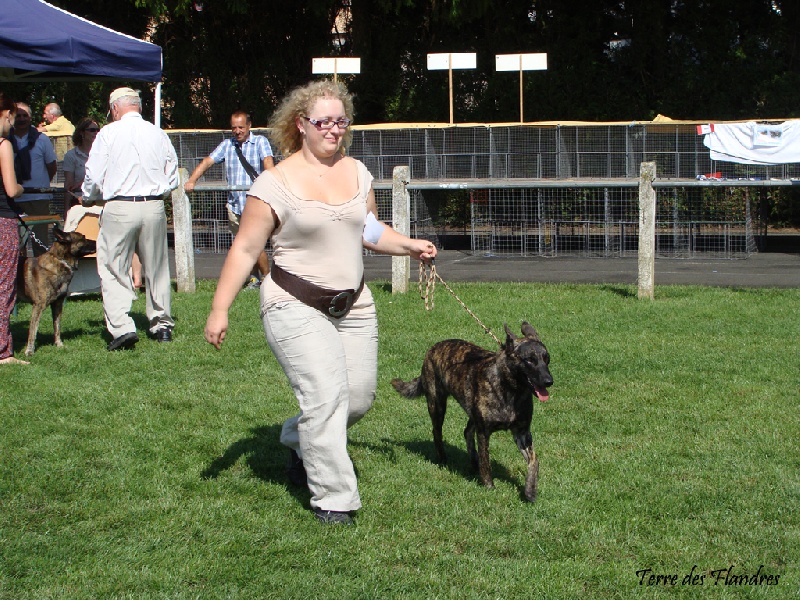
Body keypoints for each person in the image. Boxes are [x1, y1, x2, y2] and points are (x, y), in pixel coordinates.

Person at [204, 80, 437, 525]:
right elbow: (244, 248)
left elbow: (367, 229)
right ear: (301, 124)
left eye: (340, 120)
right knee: (326, 397)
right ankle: (334, 499)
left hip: (354, 305)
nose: (333, 129)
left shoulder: (357, 172)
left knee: (357, 399)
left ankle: (298, 437)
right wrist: (220, 308)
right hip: (293, 302)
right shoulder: (274, 182)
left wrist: (408, 245)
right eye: (323, 121)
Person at [82, 87, 179, 351]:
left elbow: (93, 174)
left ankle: (122, 327)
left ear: (114, 109)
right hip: (153, 205)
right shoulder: (157, 133)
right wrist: (159, 191)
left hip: (119, 206)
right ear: (137, 106)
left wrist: (88, 197)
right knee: (157, 267)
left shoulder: (108, 133)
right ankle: (162, 325)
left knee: (114, 267)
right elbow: (173, 175)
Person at [184, 110, 274, 287]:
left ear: (249, 126)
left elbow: (269, 166)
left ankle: (268, 278)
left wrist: (270, 189)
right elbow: (208, 162)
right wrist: (192, 180)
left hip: (255, 204)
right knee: (243, 246)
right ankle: (254, 277)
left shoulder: (259, 142)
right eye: (234, 128)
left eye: (241, 127)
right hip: (235, 205)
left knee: (254, 245)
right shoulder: (227, 145)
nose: (237, 131)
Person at [0, 92, 29, 365]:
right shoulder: (3, 144)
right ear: (7, 114)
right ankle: (2, 352)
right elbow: (11, 188)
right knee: (4, 286)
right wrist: (21, 187)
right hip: (3, 221)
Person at [8, 102, 57, 256]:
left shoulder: (42, 139)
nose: (22, 119)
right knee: (15, 244)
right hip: (14, 200)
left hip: (38, 198)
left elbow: (52, 166)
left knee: (40, 243)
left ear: (30, 118)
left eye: (25, 115)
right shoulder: (5, 140)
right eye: (18, 116)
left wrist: (40, 186)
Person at [62, 117, 99, 218]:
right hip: (79, 201)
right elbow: (69, 185)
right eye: (92, 130)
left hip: (100, 201)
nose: (95, 133)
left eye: (97, 130)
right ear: (82, 133)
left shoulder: (103, 154)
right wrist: (66, 209)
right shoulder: (71, 156)